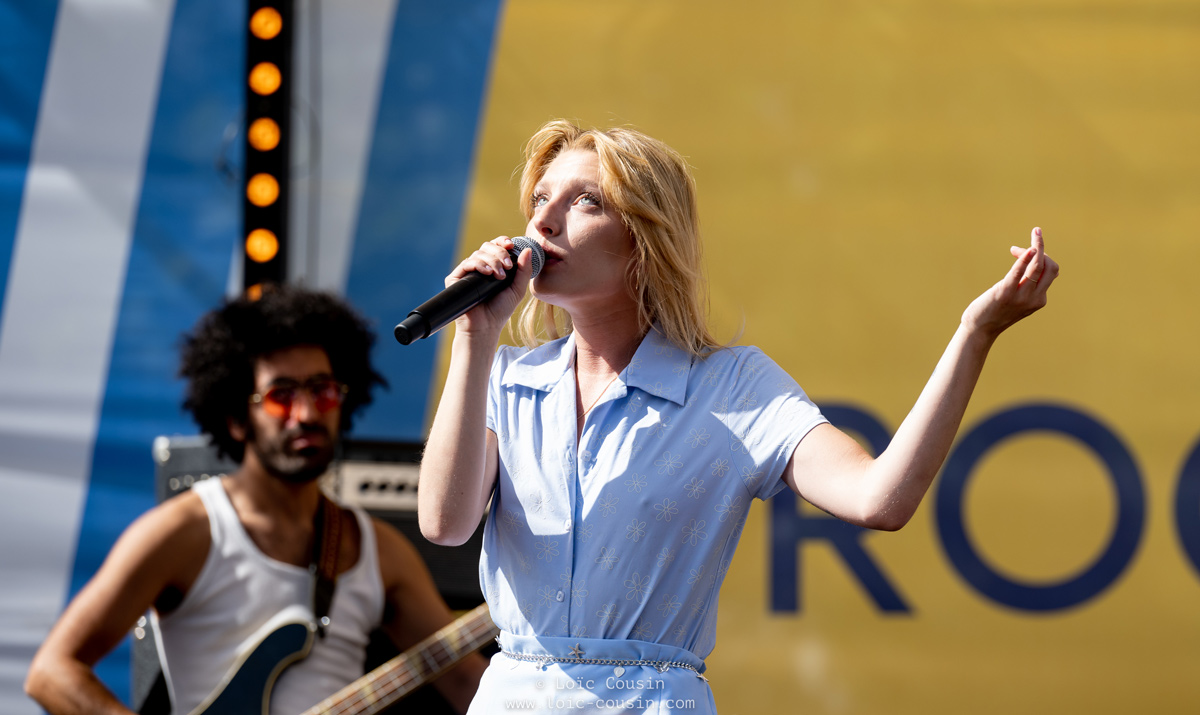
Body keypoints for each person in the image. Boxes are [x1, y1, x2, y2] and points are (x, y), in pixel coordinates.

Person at [417, 119, 1060, 713]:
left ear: (645, 238)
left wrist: (976, 333)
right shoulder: (507, 377)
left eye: (586, 201)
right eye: (539, 199)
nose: (543, 221)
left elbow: (879, 498)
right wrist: (475, 336)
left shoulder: (730, 387)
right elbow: (444, 524)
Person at [25, 287, 486, 715]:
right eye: (281, 396)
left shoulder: (379, 551)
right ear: (236, 418)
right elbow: (51, 672)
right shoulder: (183, 532)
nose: (306, 414)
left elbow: (466, 680)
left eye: (322, 391)